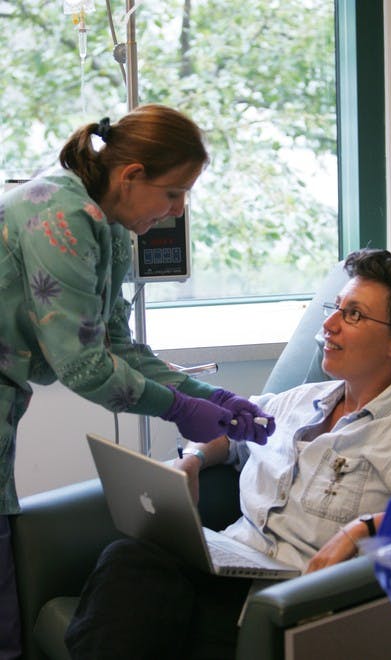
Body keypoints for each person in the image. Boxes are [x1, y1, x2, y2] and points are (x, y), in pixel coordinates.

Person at [65, 248, 391, 660]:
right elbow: (235, 434)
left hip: (295, 603)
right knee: (130, 557)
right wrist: (192, 459)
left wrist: (360, 529)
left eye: (353, 315)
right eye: (335, 308)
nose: (329, 325)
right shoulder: (299, 400)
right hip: (228, 569)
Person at [0, 104, 275, 659]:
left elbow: (119, 347)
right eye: (173, 193)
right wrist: (179, 411)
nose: (178, 210)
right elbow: (84, 367)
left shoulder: (114, 232)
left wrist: (208, 397)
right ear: (131, 175)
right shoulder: (60, 214)